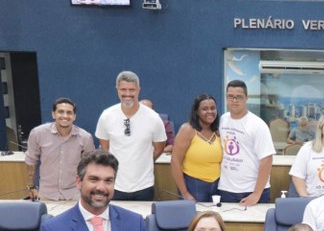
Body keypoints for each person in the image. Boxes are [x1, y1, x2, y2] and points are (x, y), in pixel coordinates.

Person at [95, 71, 167, 200]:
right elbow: (106, 148)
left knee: (142, 220)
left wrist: (144, 162)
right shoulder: (107, 116)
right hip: (115, 184)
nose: (127, 94)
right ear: (117, 89)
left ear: (138, 90)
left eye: (132, 90)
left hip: (144, 185)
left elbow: (159, 147)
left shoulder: (153, 118)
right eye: (123, 89)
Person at [24, 97, 95, 200]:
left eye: (69, 113)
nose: (65, 116)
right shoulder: (38, 133)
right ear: (53, 114)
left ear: (74, 116)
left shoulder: (85, 138)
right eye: (60, 112)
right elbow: (30, 161)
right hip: (46, 195)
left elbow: (90, 167)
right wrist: (30, 186)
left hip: (75, 194)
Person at [218, 80, 275, 206]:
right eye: (230, 96)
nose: (234, 100)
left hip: (252, 190)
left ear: (246, 98)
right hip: (226, 188)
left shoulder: (258, 125)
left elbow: (267, 159)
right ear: (226, 97)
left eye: (239, 97)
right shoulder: (223, 120)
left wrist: (256, 193)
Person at [170, 94, 222, 202]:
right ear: (196, 112)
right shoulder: (187, 129)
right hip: (194, 186)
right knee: (195, 218)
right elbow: (175, 161)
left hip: (217, 186)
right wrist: (185, 193)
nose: (210, 112)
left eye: (213, 108)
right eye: (204, 109)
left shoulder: (218, 131)